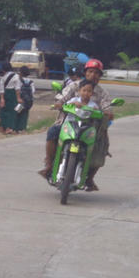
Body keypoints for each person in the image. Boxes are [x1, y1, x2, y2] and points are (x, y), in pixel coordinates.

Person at [39, 59, 112, 191]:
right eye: (90, 71)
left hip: (92, 127)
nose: (93, 75)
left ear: (100, 76)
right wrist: (59, 103)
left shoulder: (102, 93)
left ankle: (89, 178)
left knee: (103, 145)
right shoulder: (74, 86)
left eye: (96, 73)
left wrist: (107, 112)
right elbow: (61, 98)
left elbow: (107, 108)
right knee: (52, 132)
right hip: (67, 123)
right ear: (85, 73)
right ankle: (49, 165)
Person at [0, 62, 19, 134]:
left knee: (3, 111)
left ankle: (1, 127)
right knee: (12, 112)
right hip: (12, 94)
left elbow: (1, 89)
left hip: (4, 94)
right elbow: (17, 89)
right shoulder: (16, 76)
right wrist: (18, 98)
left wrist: (2, 98)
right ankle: (8, 128)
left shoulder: (3, 77)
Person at [14, 66, 35, 133]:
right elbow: (33, 91)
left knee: (16, 113)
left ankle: (16, 128)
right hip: (28, 102)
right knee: (25, 114)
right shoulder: (31, 82)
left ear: (21, 72)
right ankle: (23, 128)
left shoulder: (19, 80)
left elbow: (17, 90)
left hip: (20, 101)